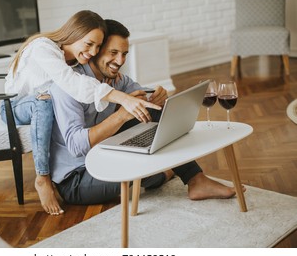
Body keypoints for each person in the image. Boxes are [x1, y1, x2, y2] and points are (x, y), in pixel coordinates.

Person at [48, 19, 244, 205]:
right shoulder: (69, 87)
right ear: (96, 51)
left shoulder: (117, 80)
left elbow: (145, 99)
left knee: (152, 113)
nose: (120, 60)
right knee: (144, 168)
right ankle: (161, 175)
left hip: (104, 154)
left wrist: (158, 97)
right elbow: (76, 146)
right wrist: (122, 115)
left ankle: (196, 180)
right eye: (113, 52)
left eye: (124, 54)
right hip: (77, 177)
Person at [0, 10, 160, 215]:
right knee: (44, 104)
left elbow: (84, 83)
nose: (93, 52)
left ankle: (174, 173)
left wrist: (151, 95)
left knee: (48, 102)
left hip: (48, 104)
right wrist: (120, 99)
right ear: (74, 34)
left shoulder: (75, 61)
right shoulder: (43, 48)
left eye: (97, 47)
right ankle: (42, 178)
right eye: (89, 44)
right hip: (15, 106)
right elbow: (71, 83)